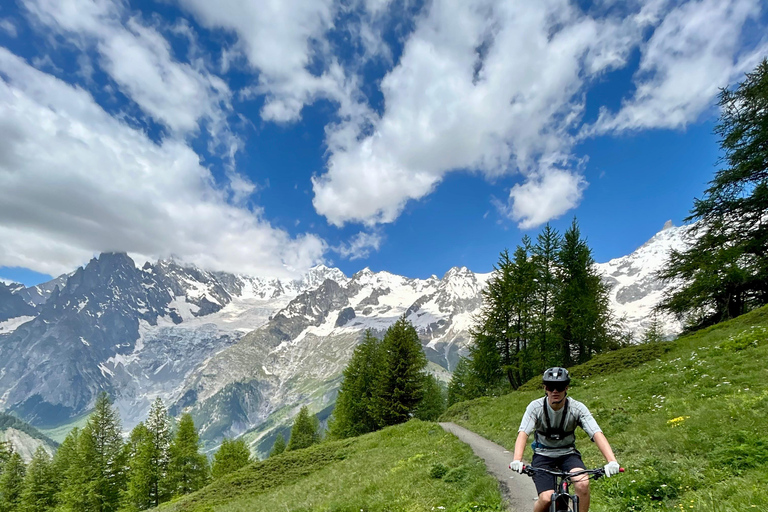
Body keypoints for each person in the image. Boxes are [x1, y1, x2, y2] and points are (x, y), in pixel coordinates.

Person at [508, 367, 620, 512]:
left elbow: (596, 433)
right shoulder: (535, 408)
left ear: (566, 388)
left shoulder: (577, 408)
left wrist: (612, 461)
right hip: (543, 455)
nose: (555, 391)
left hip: (568, 454)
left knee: (583, 484)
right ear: (545, 388)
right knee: (546, 498)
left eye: (560, 387)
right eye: (550, 386)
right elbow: (523, 433)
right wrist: (517, 459)